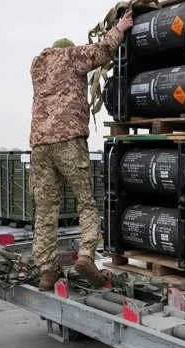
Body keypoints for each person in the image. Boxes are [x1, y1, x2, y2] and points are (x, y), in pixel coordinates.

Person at [28, 11, 134, 291]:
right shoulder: (70, 57)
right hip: (68, 141)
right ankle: (86, 255)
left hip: (39, 145)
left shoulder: (37, 66)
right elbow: (101, 51)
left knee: (46, 211)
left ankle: (47, 272)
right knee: (85, 202)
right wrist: (120, 28)